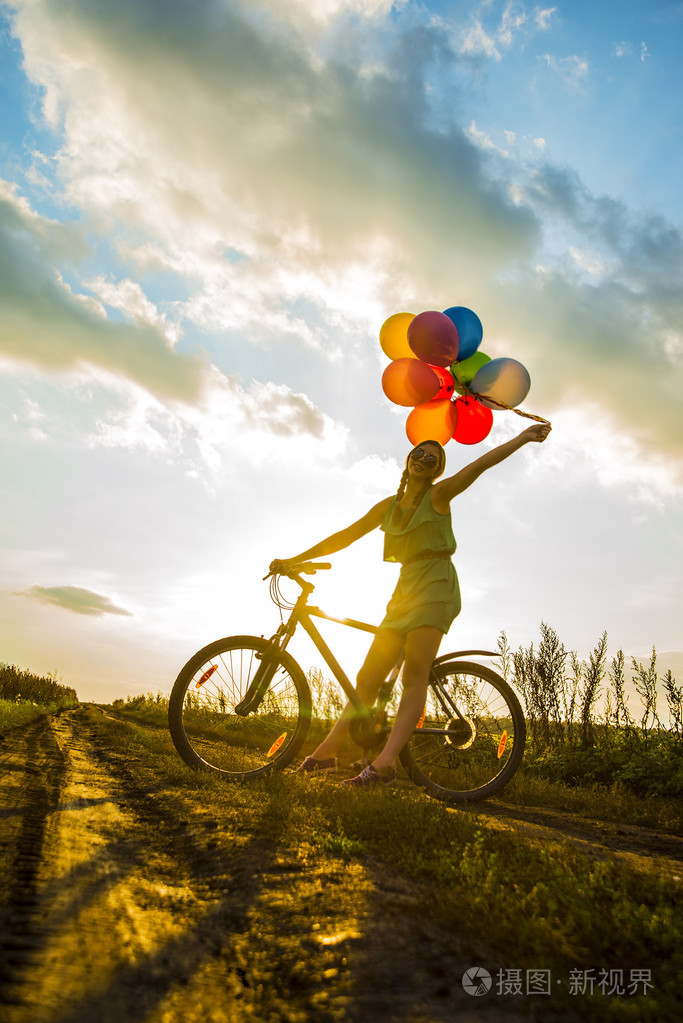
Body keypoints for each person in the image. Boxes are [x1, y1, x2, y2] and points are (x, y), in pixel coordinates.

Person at [273, 422, 551, 787]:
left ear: (438, 470)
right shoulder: (387, 507)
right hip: (404, 590)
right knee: (367, 677)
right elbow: (344, 536)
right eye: (418, 453)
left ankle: (385, 765)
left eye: (432, 459)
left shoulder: (439, 495)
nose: (423, 459)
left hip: (436, 584)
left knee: (414, 673)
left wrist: (522, 438)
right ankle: (325, 755)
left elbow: (479, 466)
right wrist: (295, 559)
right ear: (407, 461)